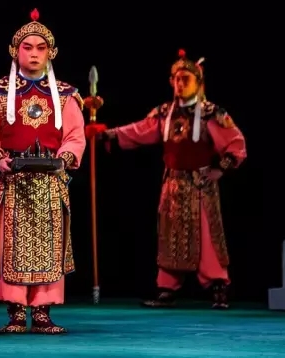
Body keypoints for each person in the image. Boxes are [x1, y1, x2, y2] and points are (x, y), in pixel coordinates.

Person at [101, 48, 247, 309]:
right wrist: (109, 134)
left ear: (198, 82)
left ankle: (218, 286)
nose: (180, 84)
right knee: (170, 235)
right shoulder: (164, 112)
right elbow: (140, 131)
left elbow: (235, 143)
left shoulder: (212, 113)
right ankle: (167, 288)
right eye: (177, 79)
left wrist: (221, 168)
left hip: (200, 185)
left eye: (186, 79)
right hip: (172, 184)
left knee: (206, 236)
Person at [0, 9, 88, 334]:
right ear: (15, 51)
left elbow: (75, 136)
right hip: (11, 180)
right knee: (10, 245)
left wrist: (63, 159)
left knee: (48, 245)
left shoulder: (66, 95)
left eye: (41, 48)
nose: (34, 53)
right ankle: (14, 312)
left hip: (50, 183)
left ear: (52, 52)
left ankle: (41, 311)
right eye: (28, 47)